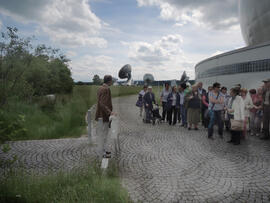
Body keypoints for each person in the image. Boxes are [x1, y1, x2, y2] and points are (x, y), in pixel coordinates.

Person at [95, 75, 116, 158]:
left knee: (103, 133)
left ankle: (104, 150)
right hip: (103, 116)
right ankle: (102, 152)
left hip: (100, 115)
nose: (112, 82)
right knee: (104, 134)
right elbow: (103, 103)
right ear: (109, 81)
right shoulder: (106, 89)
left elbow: (101, 102)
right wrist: (110, 112)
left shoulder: (100, 88)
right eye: (112, 80)